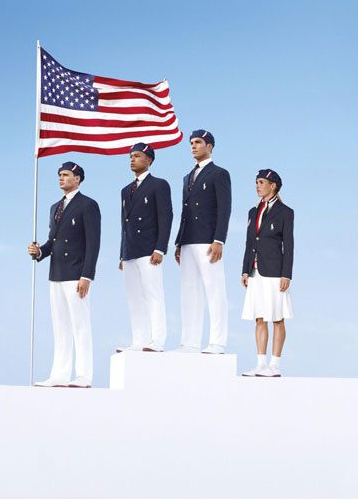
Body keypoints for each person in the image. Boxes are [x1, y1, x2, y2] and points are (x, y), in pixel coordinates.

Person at [28, 162, 101, 388]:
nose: (61, 178)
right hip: (56, 273)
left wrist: (87, 275)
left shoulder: (88, 205)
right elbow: (54, 241)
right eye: (59, 175)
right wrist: (40, 251)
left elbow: (93, 243)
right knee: (60, 327)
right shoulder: (54, 207)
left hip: (76, 274)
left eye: (66, 175)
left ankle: (84, 376)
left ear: (77, 178)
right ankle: (59, 374)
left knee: (80, 326)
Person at [174, 130, 232, 354]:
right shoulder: (187, 177)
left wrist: (219, 240)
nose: (193, 146)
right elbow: (184, 211)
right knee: (189, 292)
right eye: (191, 143)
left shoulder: (219, 174)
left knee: (215, 290)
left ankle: (217, 342)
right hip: (188, 240)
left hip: (208, 240)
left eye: (198, 142)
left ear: (210, 146)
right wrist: (179, 242)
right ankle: (189, 342)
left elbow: (224, 208)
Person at [117, 143, 173, 353]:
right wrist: (122, 253)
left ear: (148, 160)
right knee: (134, 297)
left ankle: (157, 340)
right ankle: (138, 340)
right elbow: (124, 223)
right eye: (131, 156)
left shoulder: (159, 185)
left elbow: (166, 217)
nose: (132, 159)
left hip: (150, 249)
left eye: (137, 156)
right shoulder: (125, 190)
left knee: (153, 295)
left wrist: (160, 248)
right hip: (130, 251)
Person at [241, 169, 294, 377]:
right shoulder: (252, 212)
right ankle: (261, 364)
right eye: (256, 182)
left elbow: (288, 246)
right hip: (255, 271)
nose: (257, 185)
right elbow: (249, 243)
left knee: (277, 317)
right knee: (259, 317)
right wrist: (245, 270)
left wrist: (286, 274)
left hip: (274, 272)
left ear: (273, 185)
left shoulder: (286, 212)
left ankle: (275, 365)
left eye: (261, 182)